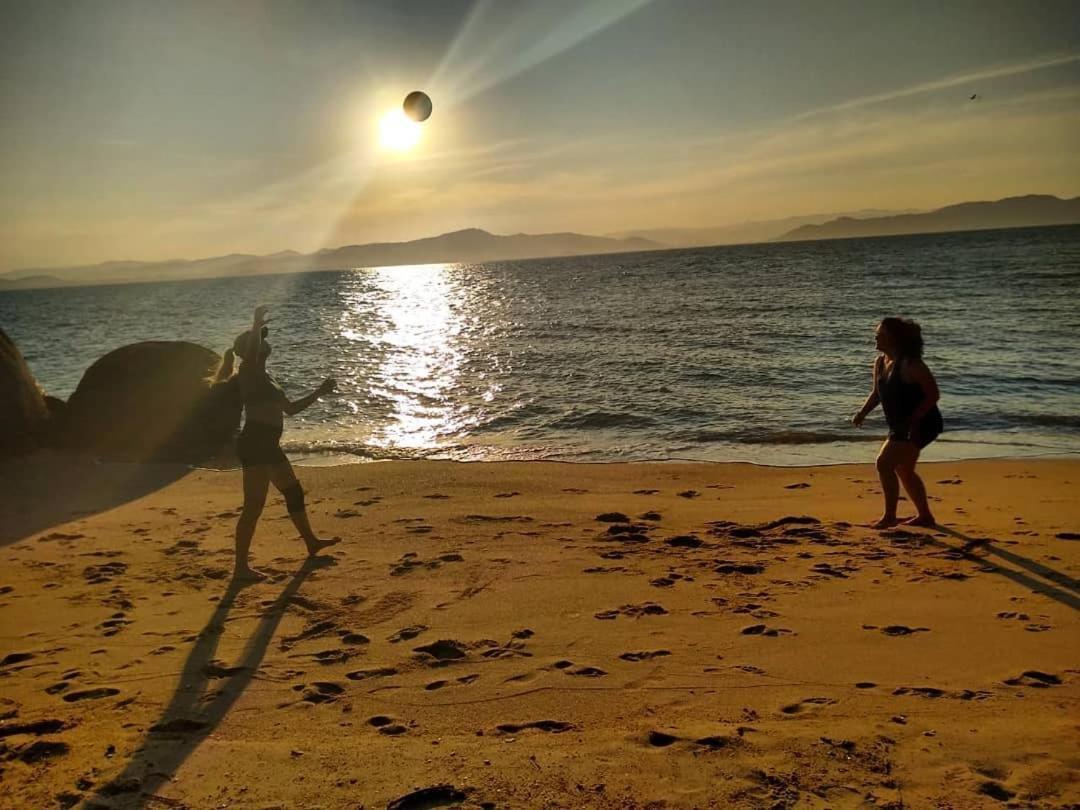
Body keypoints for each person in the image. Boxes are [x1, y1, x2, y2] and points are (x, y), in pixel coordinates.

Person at [214, 305, 340, 581]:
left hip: (268, 444)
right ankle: (240, 570)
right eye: (259, 340)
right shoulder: (248, 372)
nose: (264, 342)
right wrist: (256, 322)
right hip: (256, 442)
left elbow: (291, 409)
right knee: (253, 507)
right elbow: (252, 351)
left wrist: (319, 391)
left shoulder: (268, 377)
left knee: (294, 493)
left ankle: (311, 542)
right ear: (249, 350)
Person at [852, 317, 943, 529]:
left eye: (880, 334)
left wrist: (912, 420)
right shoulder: (881, 362)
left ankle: (889, 517)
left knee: (884, 463)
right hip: (900, 425)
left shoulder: (912, 364)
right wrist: (862, 413)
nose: (876, 336)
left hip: (921, 424)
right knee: (904, 469)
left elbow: (933, 395)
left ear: (894, 338)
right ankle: (925, 516)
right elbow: (877, 394)